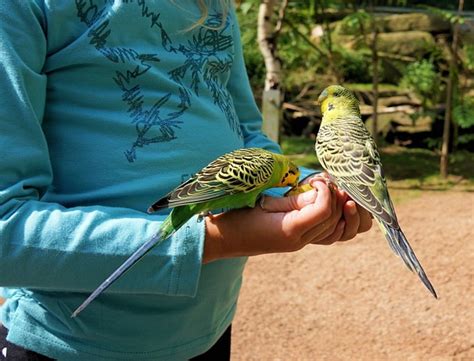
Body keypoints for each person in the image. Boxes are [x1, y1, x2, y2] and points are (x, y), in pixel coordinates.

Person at [0, 1, 372, 360]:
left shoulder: (213, 5)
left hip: (210, 328)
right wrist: (209, 243)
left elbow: (247, 136)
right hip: (65, 343)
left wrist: (316, 187)